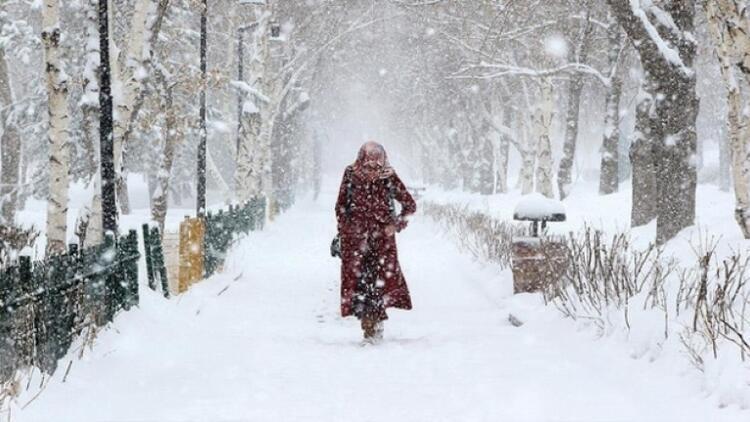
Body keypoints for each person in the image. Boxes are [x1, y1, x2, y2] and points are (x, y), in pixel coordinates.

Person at [335, 141, 417, 343]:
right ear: (361, 160)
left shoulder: (388, 177)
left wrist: (395, 225)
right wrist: (347, 229)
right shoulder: (351, 174)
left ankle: (373, 325)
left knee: (378, 284)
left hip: (382, 245)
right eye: (368, 164)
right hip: (356, 244)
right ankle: (369, 323)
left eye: (376, 165)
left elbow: (409, 205)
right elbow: (341, 206)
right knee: (360, 284)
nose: (372, 169)